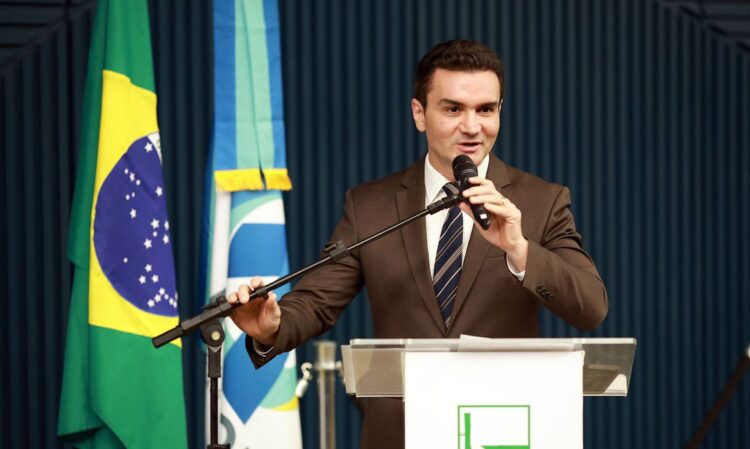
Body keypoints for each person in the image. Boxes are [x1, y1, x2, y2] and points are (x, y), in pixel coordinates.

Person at [228, 39, 608, 449]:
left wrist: (519, 249)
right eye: (452, 109)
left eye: (486, 109)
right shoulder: (371, 205)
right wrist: (272, 326)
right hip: (399, 435)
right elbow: (317, 301)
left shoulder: (540, 201)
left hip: (504, 431)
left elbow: (591, 307)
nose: (472, 126)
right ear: (419, 114)